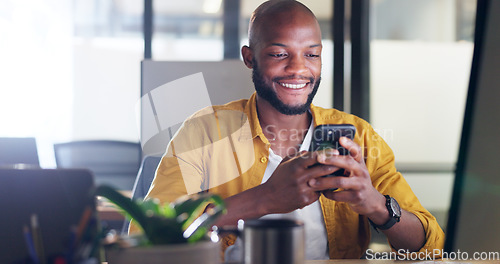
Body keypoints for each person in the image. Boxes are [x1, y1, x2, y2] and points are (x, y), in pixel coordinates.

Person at [135, 0, 445, 260]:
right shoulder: (205, 131)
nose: (298, 68)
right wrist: (266, 198)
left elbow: (431, 249)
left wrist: (376, 205)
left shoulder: (359, 136)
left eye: (312, 54)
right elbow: (145, 234)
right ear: (249, 58)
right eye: (279, 54)